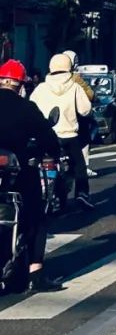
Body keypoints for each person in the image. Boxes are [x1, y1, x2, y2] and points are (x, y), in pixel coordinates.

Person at [0, 59, 64, 292]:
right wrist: (52, 152)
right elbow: (49, 139)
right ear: (20, 85)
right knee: (37, 214)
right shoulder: (27, 108)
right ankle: (35, 273)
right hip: (17, 174)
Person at [30, 52, 93, 210]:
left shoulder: (41, 88)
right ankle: (82, 193)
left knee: (36, 164)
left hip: (45, 135)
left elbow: (31, 108)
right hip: (69, 135)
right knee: (79, 166)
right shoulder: (74, 86)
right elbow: (85, 110)